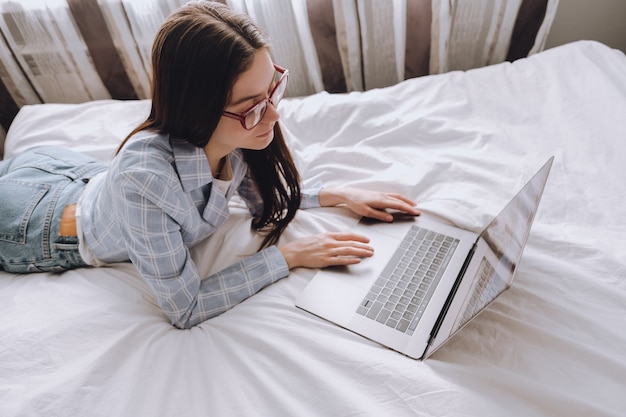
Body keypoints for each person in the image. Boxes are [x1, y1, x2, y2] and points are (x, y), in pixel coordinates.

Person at [0, 1, 419, 328]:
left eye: (272, 89)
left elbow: (259, 199)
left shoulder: (232, 135)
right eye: (251, 107)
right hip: (39, 223)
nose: (273, 115)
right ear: (197, 109)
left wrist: (338, 194)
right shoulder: (144, 181)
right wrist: (290, 257)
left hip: (71, 173)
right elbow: (185, 307)